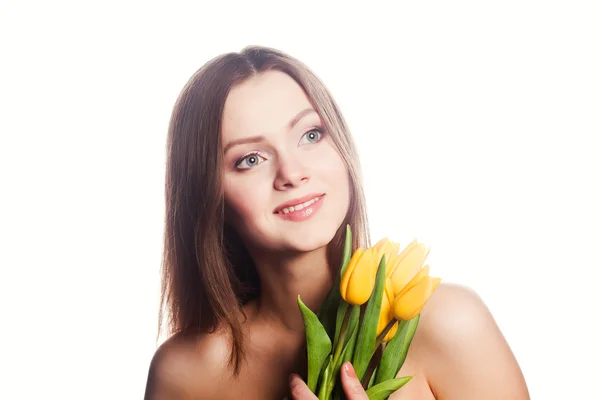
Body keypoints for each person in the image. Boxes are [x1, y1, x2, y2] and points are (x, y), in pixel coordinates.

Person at [143, 45, 530, 400]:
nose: (292, 173)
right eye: (250, 159)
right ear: (210, 198)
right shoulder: (185, 373)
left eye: (311, 135)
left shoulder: (448, 323)